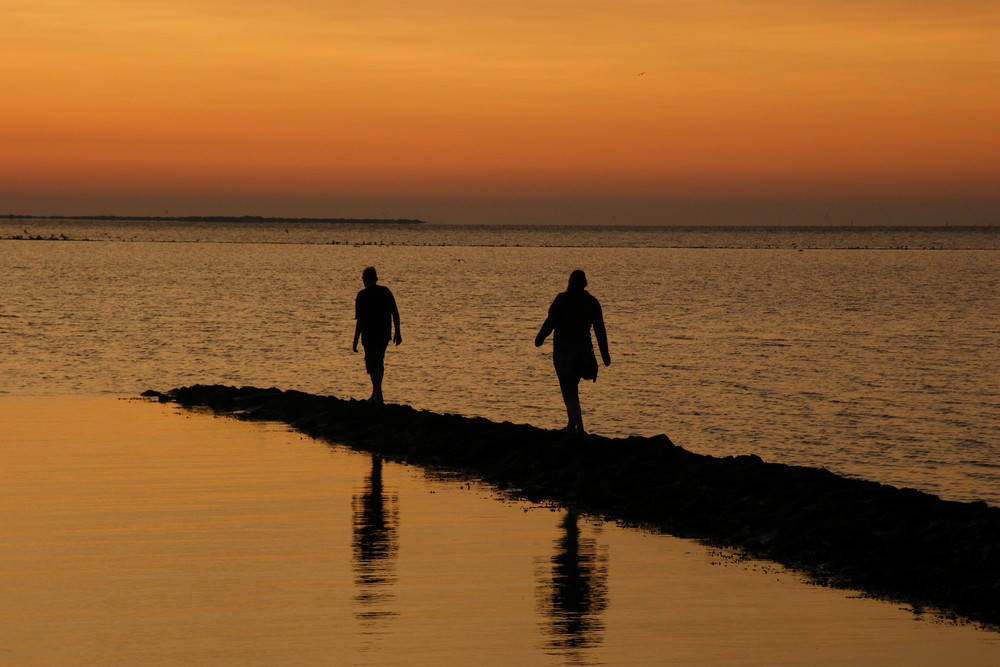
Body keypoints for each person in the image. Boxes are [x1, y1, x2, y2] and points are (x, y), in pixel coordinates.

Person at [535, 270, 611, 434]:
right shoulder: (592, 302)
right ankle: (571, 425)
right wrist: (605, 355)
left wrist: (539, 339)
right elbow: (600, 330)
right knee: (572, 386)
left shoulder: (562, 299)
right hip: (584, 351)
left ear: (570, 282)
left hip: (564, 350)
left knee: (568, 387)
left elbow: (550, 322)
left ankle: (579, 428)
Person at [352, 266, 402, 403]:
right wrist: (397, 332)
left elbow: (360, 321)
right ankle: (376, 393)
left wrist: (355, 340)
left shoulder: (362, 295)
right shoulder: (385, 292)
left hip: (371, 335)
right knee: (378, 362)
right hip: (383, 333)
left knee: (372, 363)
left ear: (365, 280)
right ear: (376, 279)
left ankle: (378, 394)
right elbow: (395, 313)